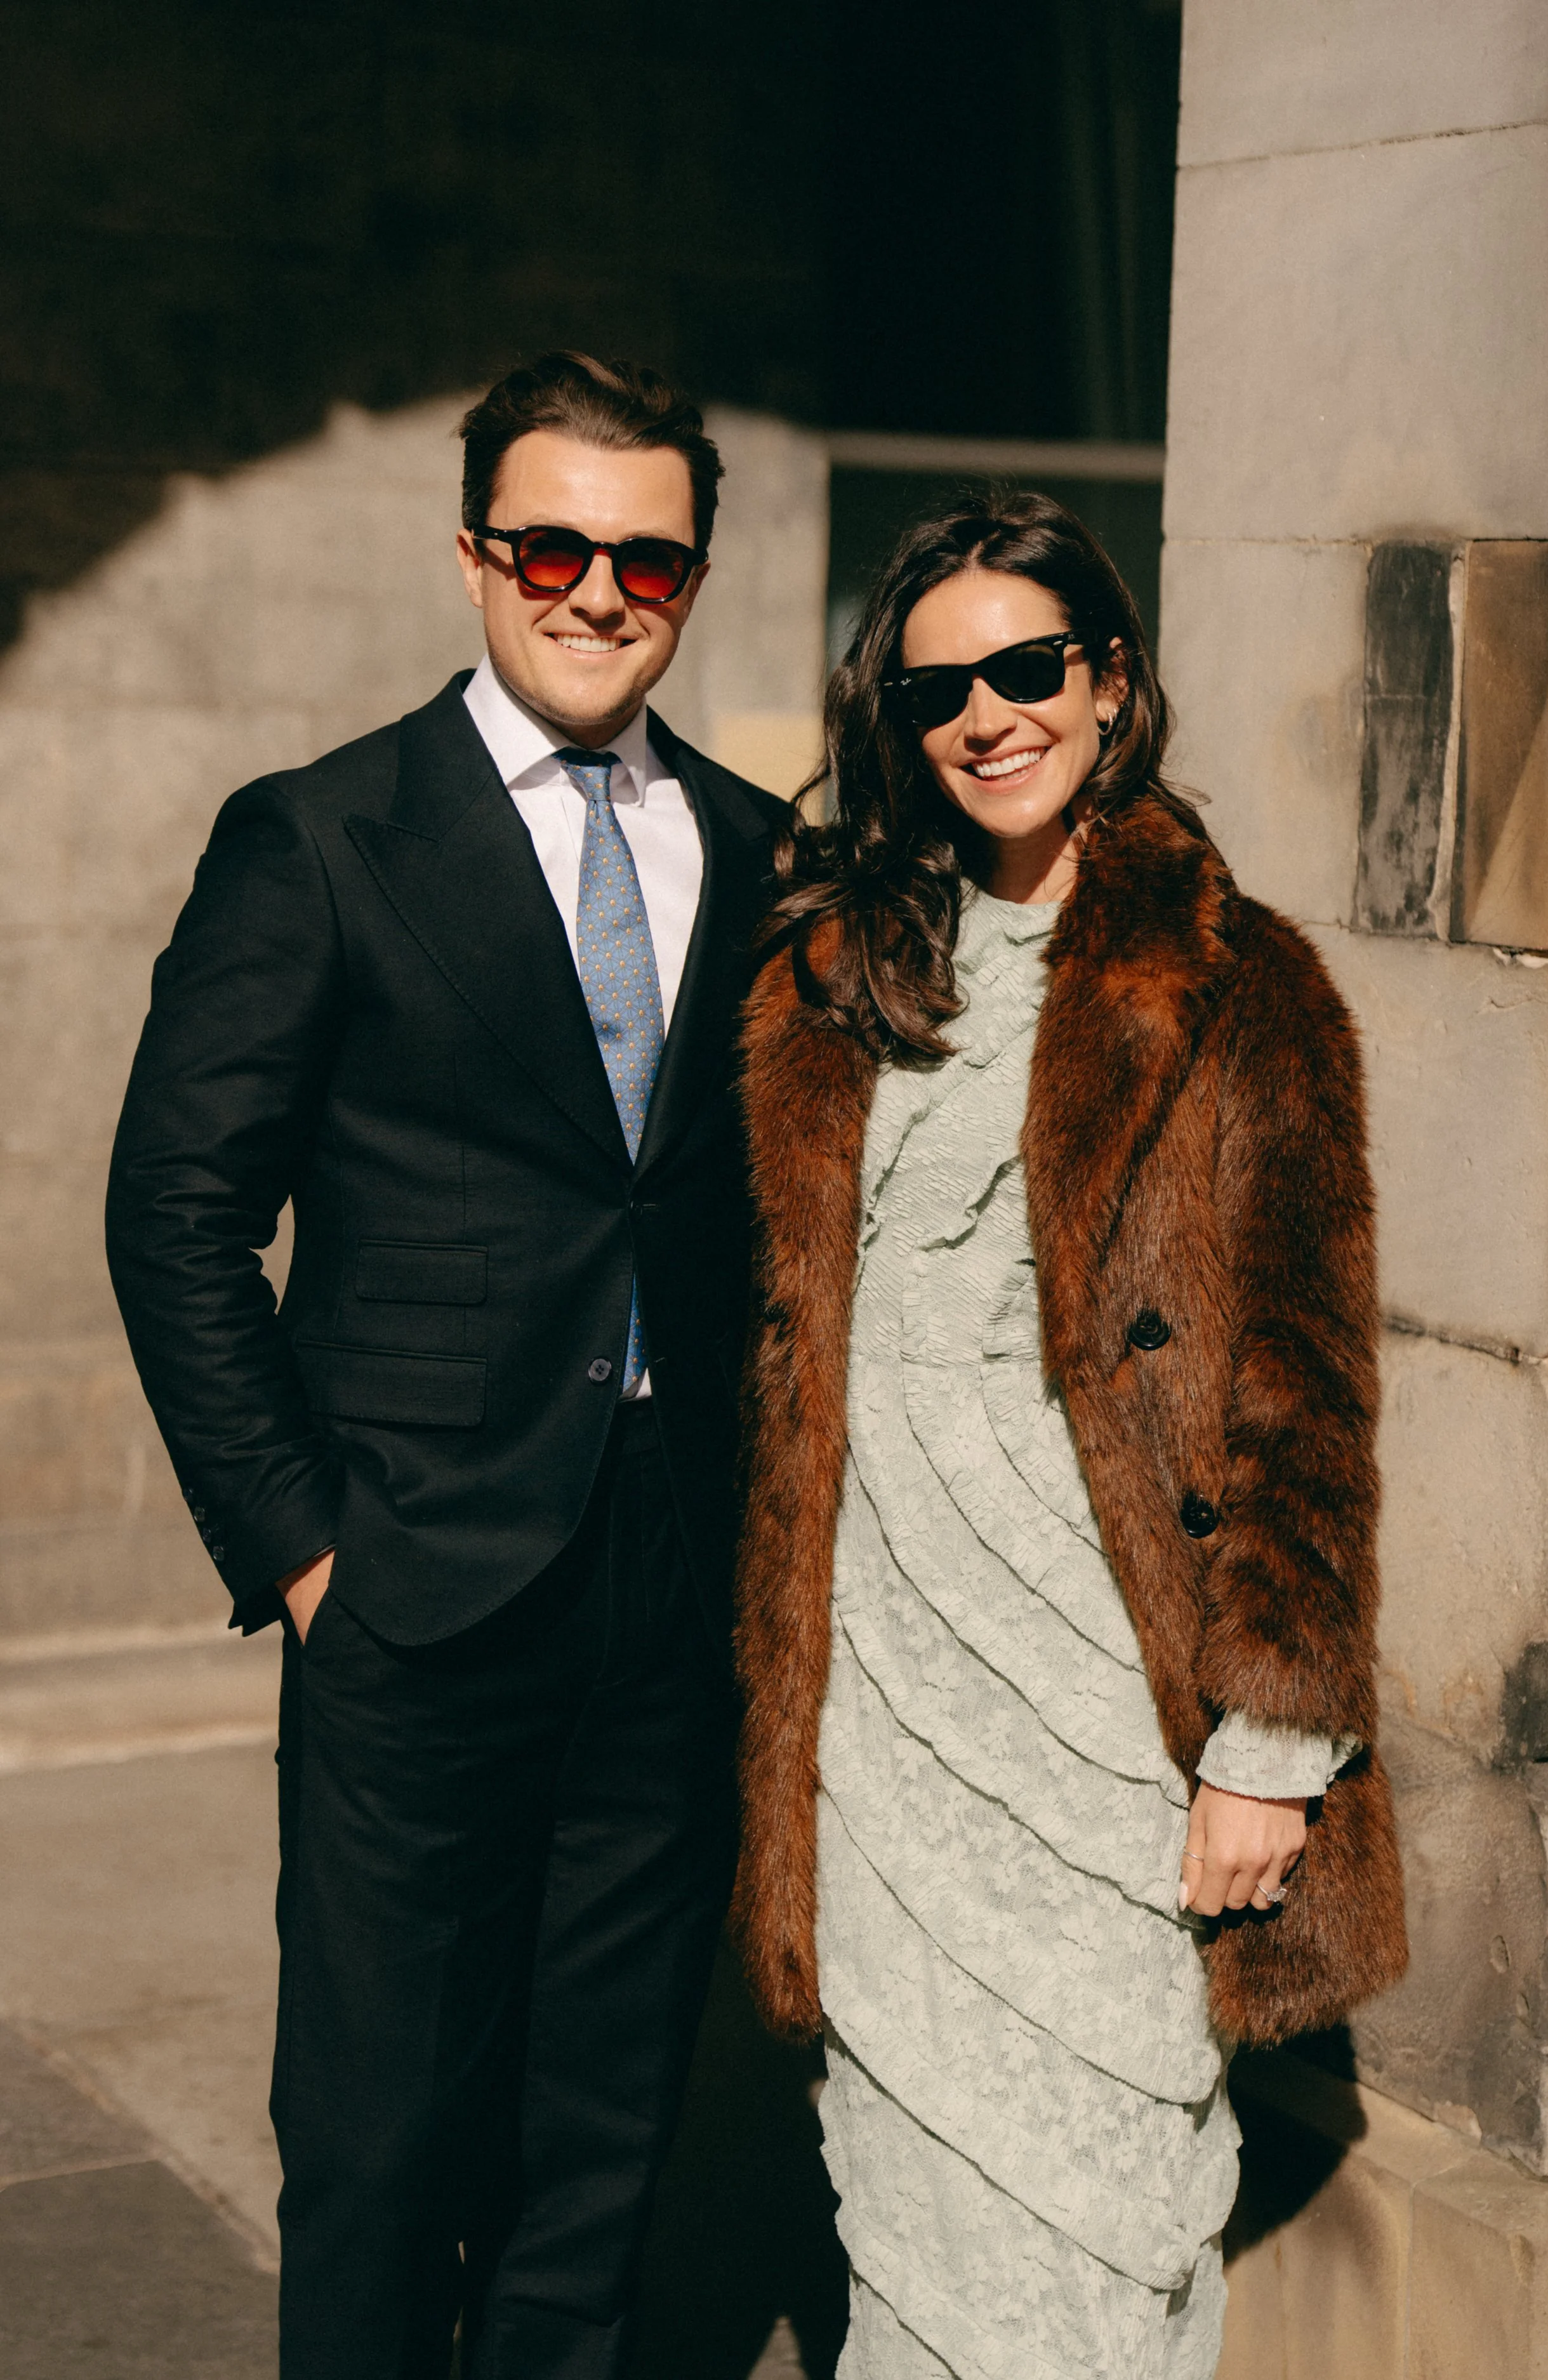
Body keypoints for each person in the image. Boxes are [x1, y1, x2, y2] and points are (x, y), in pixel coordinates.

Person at [105, 350, 784, 2379]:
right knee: (388, 2148)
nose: (596, 589)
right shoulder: (317, 837)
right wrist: (309, 1550)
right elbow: (174, 1216)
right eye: (551, 542)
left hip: (668, 1609)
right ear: (476, 553)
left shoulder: (758, 849)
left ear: (694, 570)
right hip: (410, 1596)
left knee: (600, 2152)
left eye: (644, 554)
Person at [729, 493, 1408, 2378]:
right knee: (915, 2239)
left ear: (1110, 682)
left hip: (1113, 1721)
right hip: (880, 1725)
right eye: (937, 686)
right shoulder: (840, 983)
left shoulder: (1234, 978)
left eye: (1028, 668)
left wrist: (1271, 1735)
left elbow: (1307, 1383)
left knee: (1101, 2236)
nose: (986, 715)